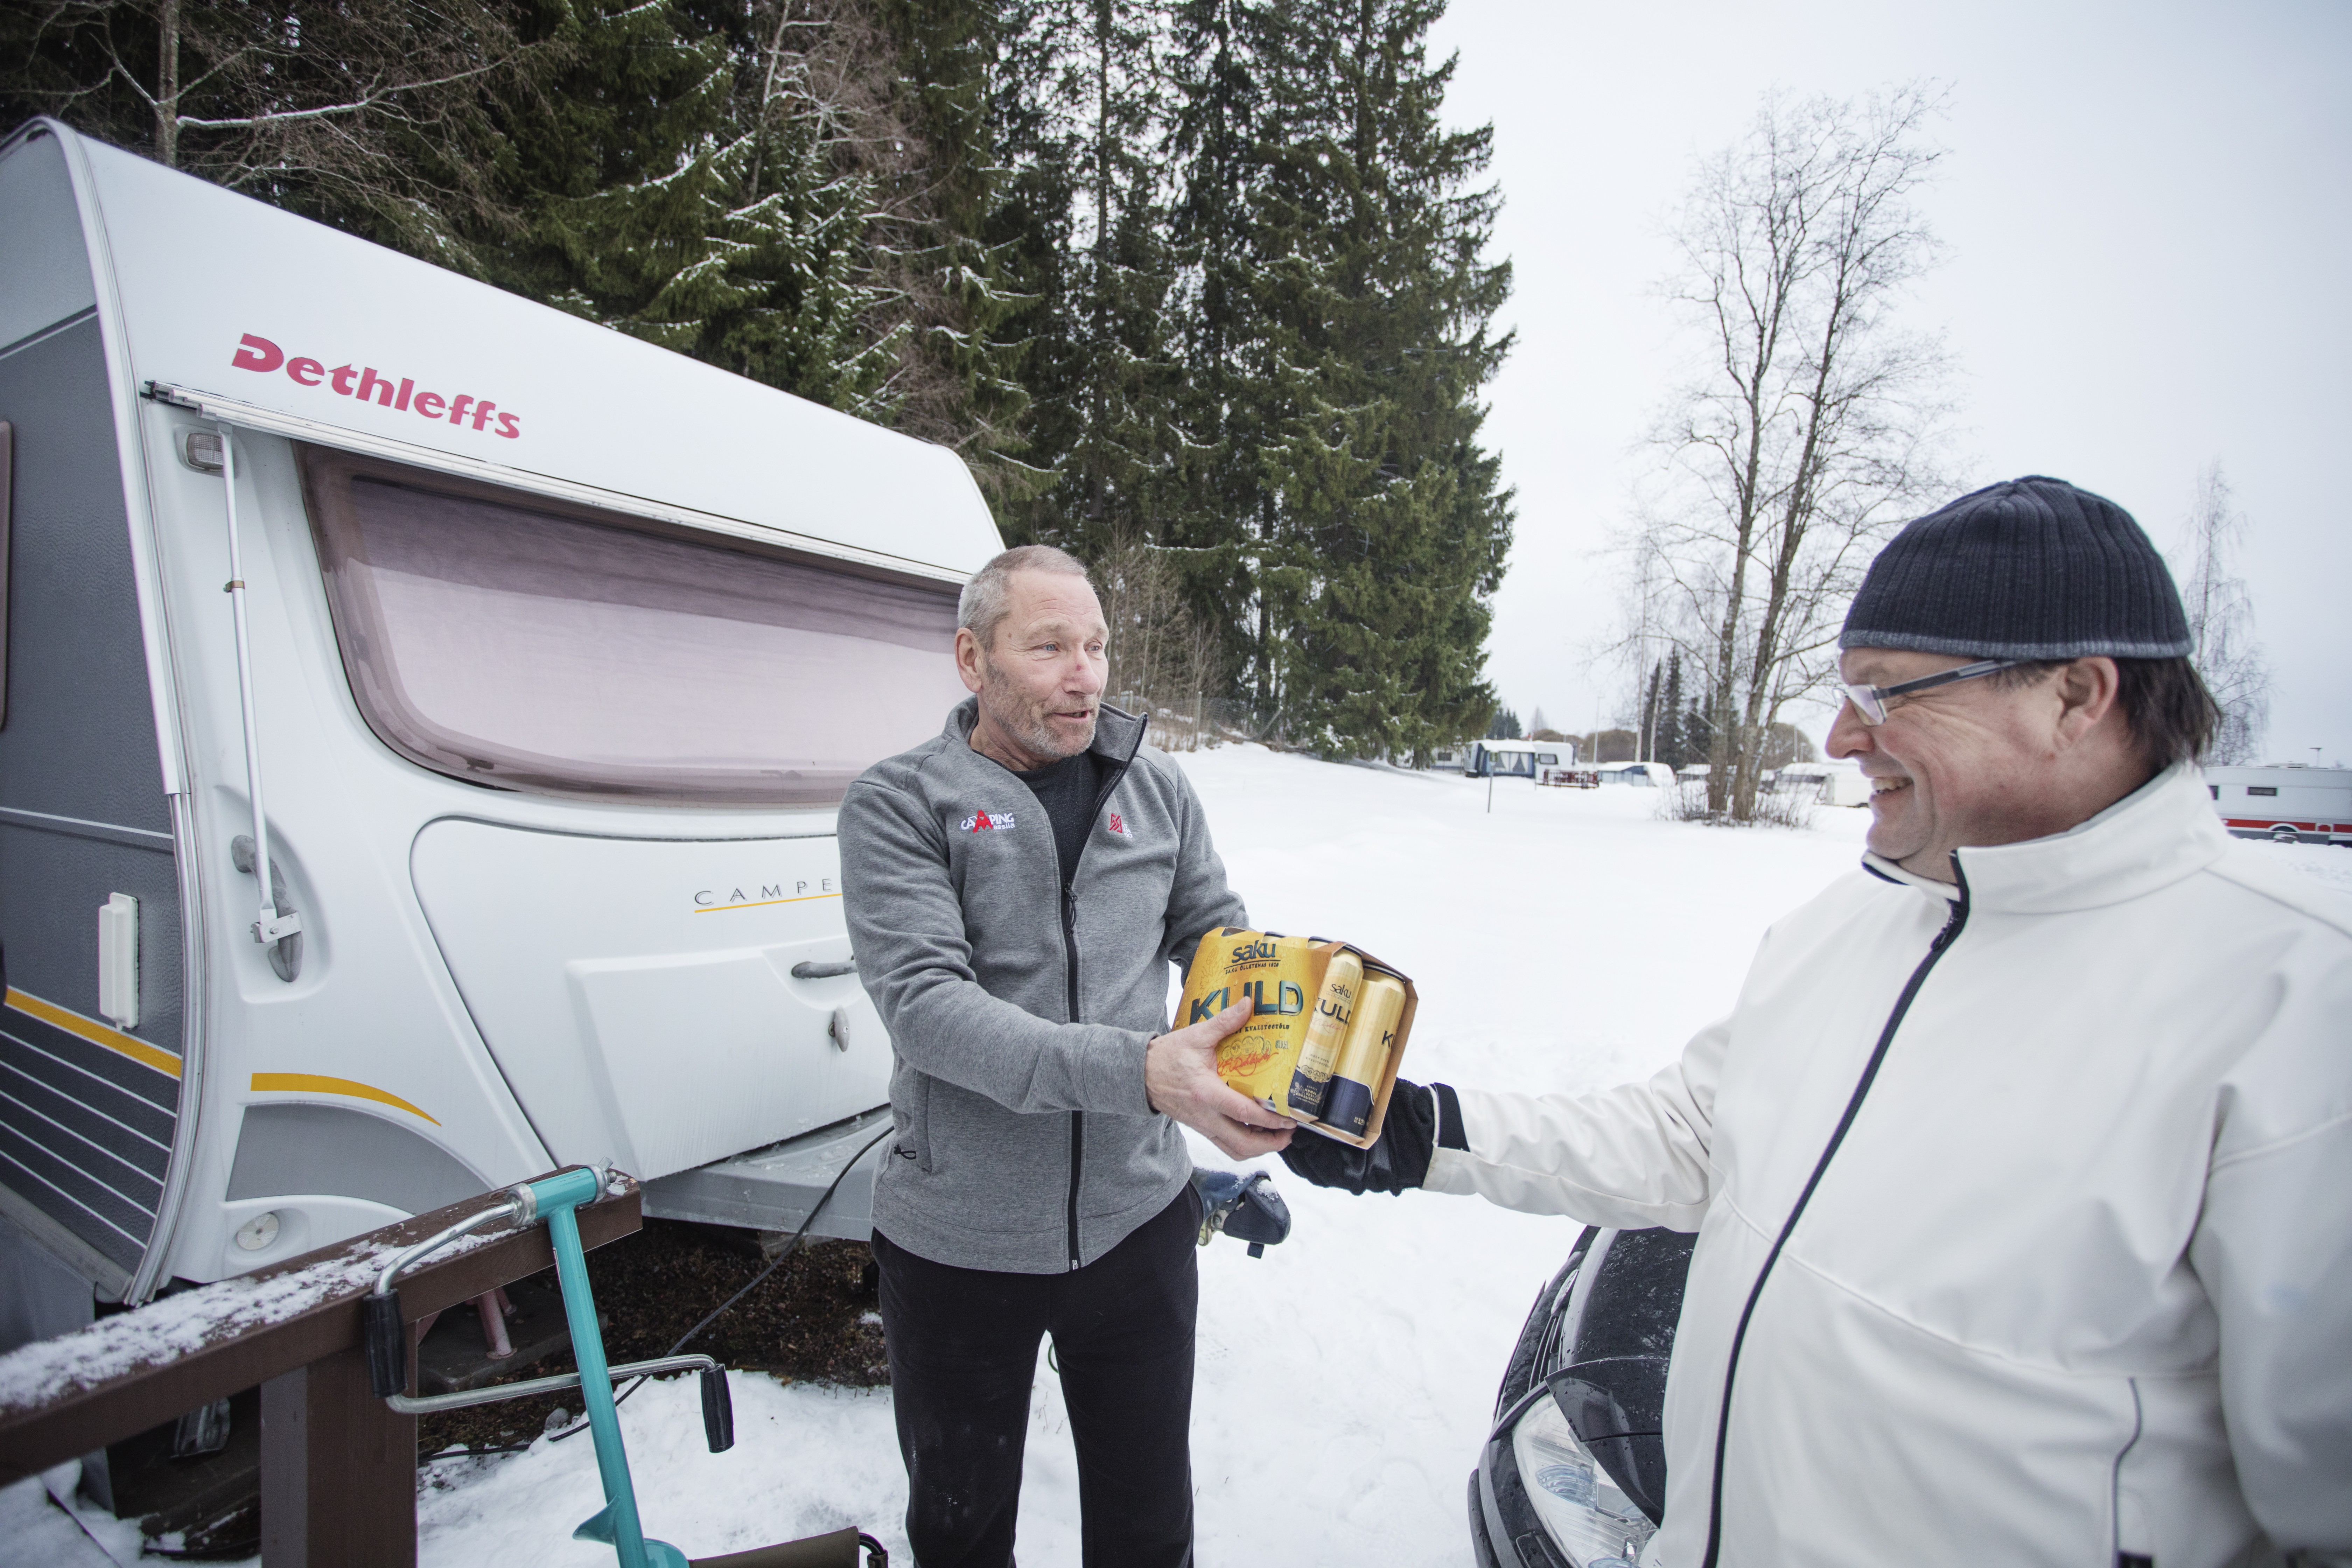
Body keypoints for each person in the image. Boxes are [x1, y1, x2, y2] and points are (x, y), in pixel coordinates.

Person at [1284, 478, 2352, 1566]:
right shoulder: (1848, 928)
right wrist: (1419, 1132)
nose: (1840, 736)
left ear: (2076, 694)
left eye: (1887, 694)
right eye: (1844, 691)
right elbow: (1693, 1139)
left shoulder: (2295, 1022)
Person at [839, 544, 1290, 1568]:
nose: (1084, 672)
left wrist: (1283, 1042)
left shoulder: (1158, 787)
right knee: (961, 1537)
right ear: (972, 658)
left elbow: (1215, 934)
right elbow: (927, 1010)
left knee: (1146, 1533)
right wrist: (1141, 1069)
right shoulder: (900, 803)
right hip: (961, 1244)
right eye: (1048, 647)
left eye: (1094, 645)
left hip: (1140, 1226)